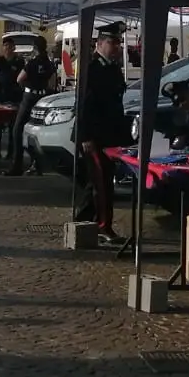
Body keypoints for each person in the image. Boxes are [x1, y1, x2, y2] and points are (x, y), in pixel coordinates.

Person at [77, 24, 132, 241]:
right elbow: (84, 106)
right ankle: (103, 226)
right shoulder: (92, 69)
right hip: (95, 136)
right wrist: (86, 136)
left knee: (97, 182)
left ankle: (82, 221)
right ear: (99, 44)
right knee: (102, 184)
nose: (116, 47)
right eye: (112, 42)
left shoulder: (112, 67)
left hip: (110, 135)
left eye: (118, 42)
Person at [8, 36, 58, 177]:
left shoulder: (32, 62)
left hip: (29, 98)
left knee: (18, 130)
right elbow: (52, 84)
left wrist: (27, 86)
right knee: (36, 131)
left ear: (34, 48)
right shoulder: (49, 63)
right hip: (42, 98)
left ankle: (16, 165)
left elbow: (19, 79)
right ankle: (37, 164)